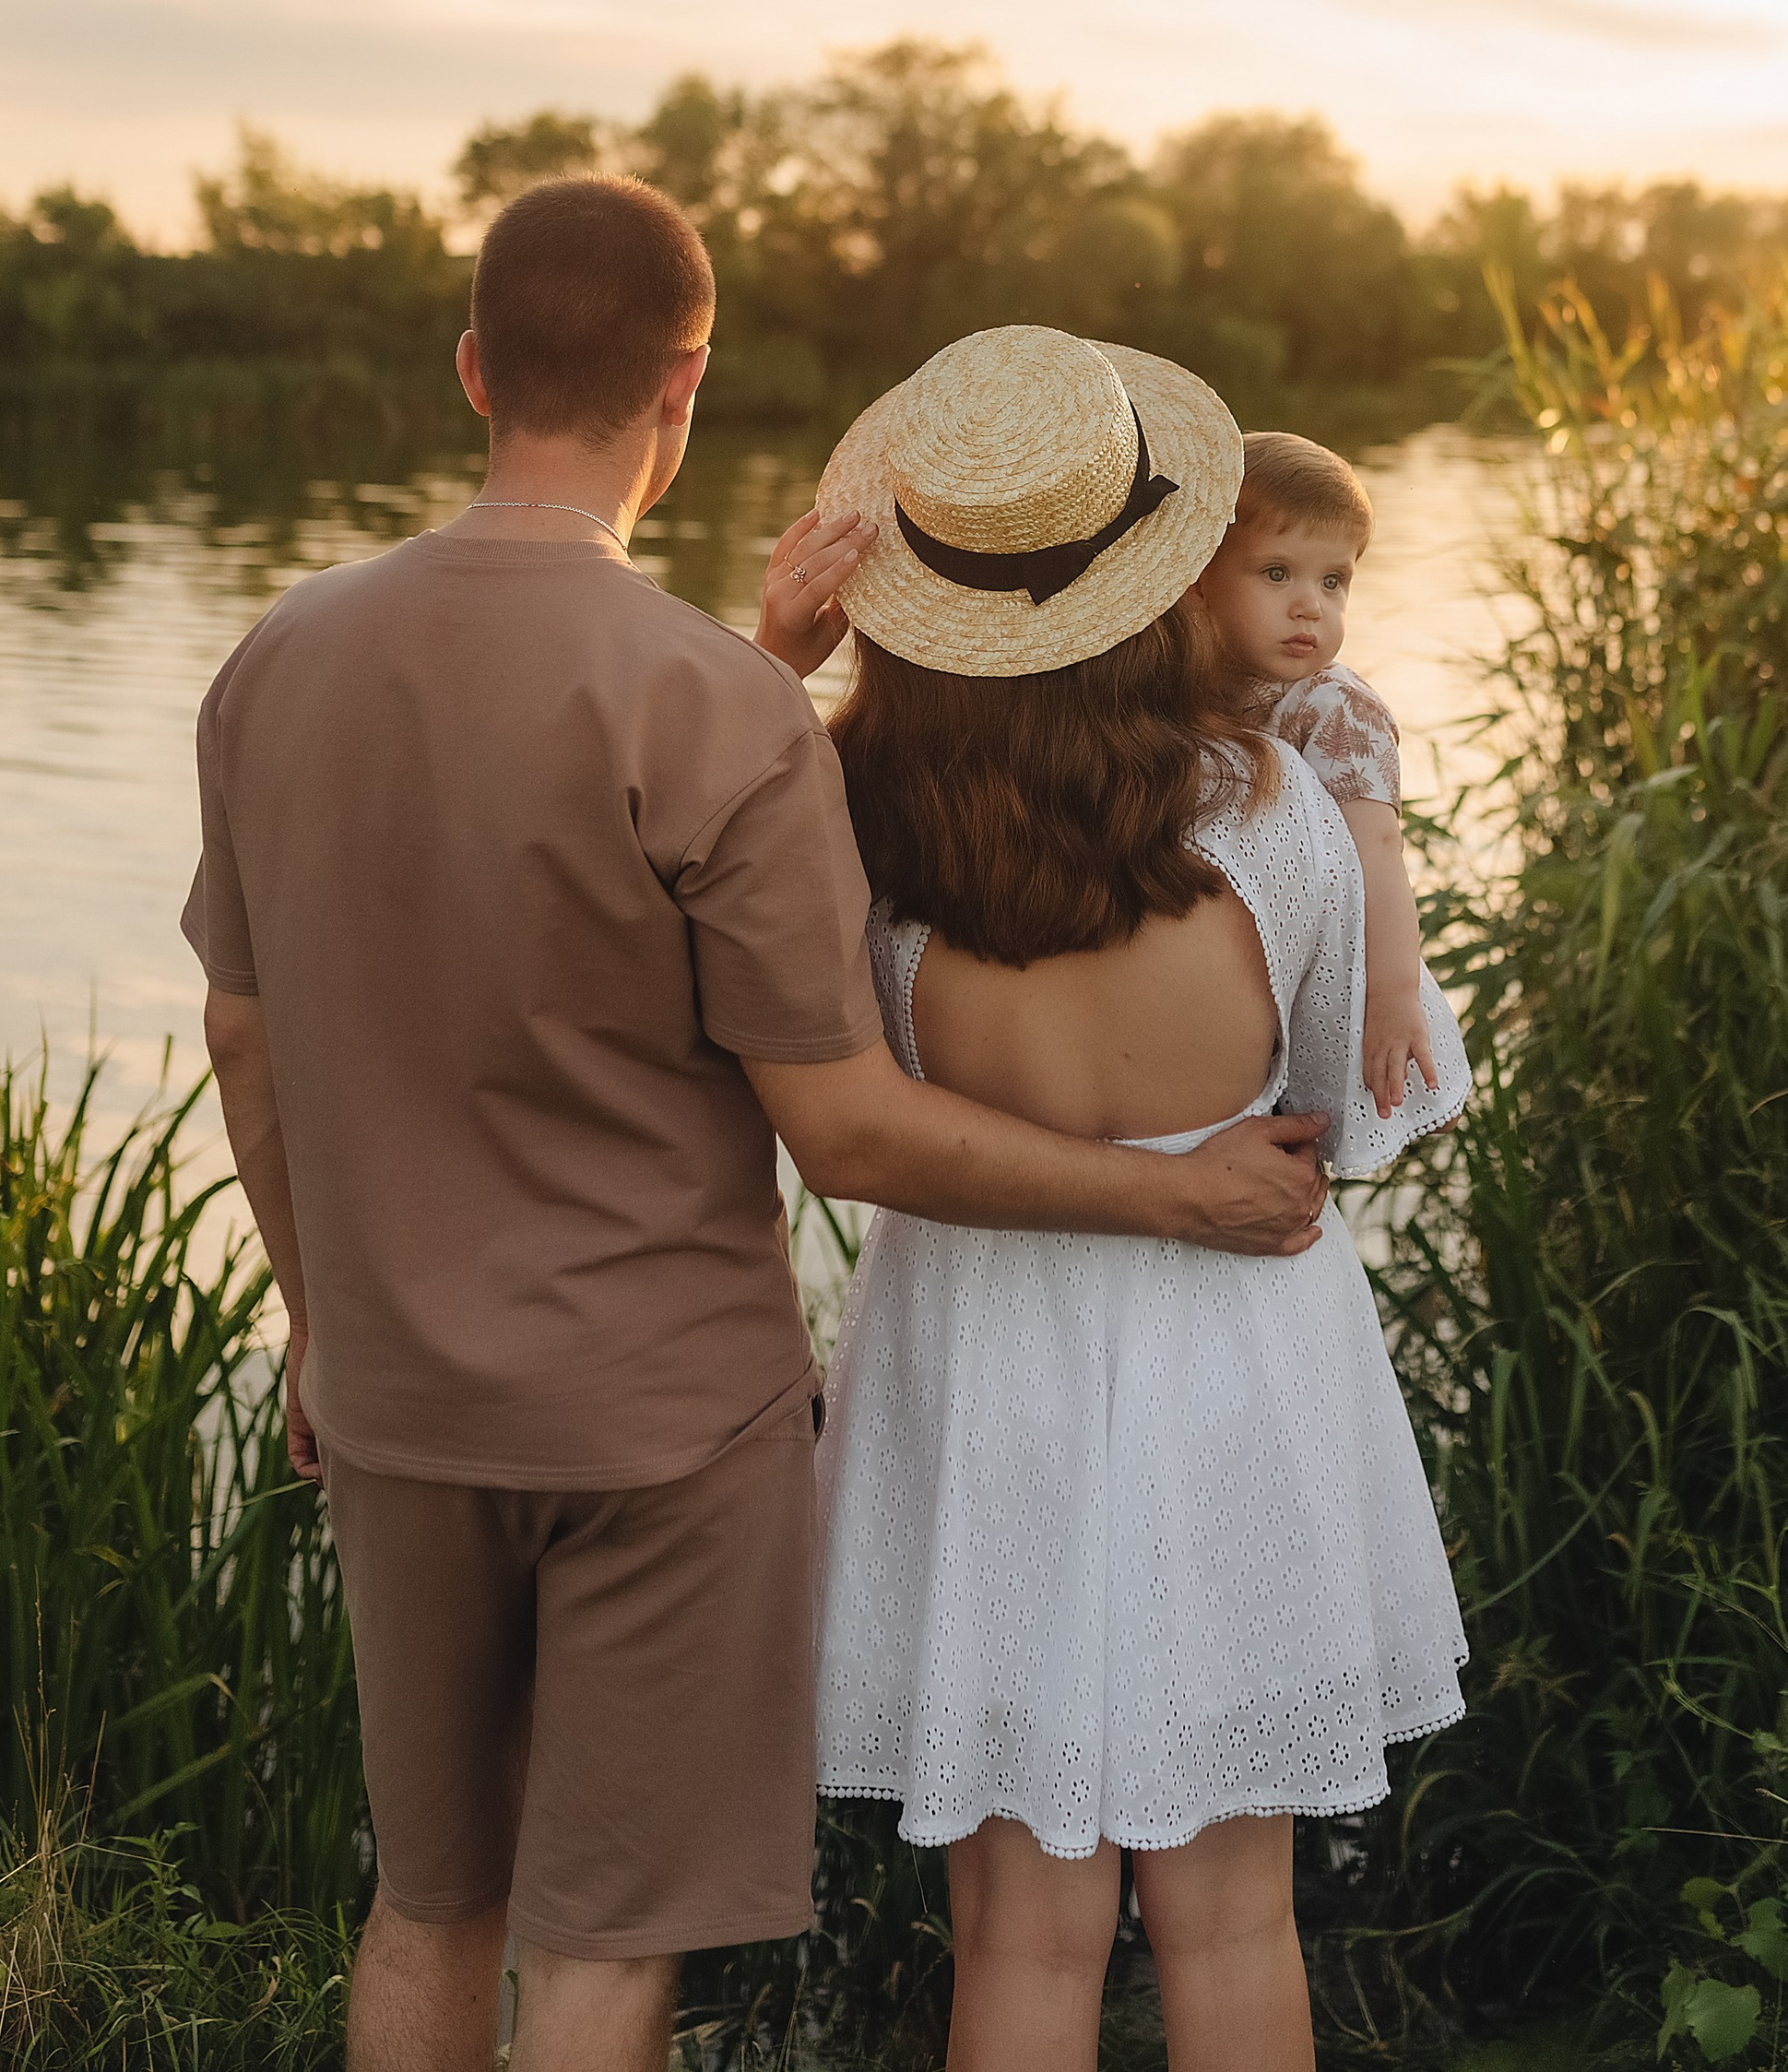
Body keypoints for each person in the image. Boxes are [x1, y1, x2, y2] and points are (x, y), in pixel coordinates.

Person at [184, 187, 1332, 2072]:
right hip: (657, 1417)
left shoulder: (279, 659)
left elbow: (245, 1029)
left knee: (426, 1899)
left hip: (393, 1393)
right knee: (600, 1937)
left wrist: (317, 1313)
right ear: (684, 388)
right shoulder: (713, 703)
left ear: (471, 367)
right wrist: (1160, 1184)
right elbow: (852, 1135)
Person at [782, 325, 1471, 2072]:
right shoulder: (1270, 804)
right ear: (1152, 564)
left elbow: (824, 1084)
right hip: (1233, 1349)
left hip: (977, 1358)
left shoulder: (846, 812)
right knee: (1233, 1914)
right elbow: (1346, 1118)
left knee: (1022, 1931)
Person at [1192, 429, 1439, 1115]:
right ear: (1198, 578)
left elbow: (1379, 854)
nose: (1312, 605)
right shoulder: (1184, 691)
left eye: (1334, 581)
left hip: (1324, 973)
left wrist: (1392, 996)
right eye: (1277, 573)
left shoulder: (1334, 708)